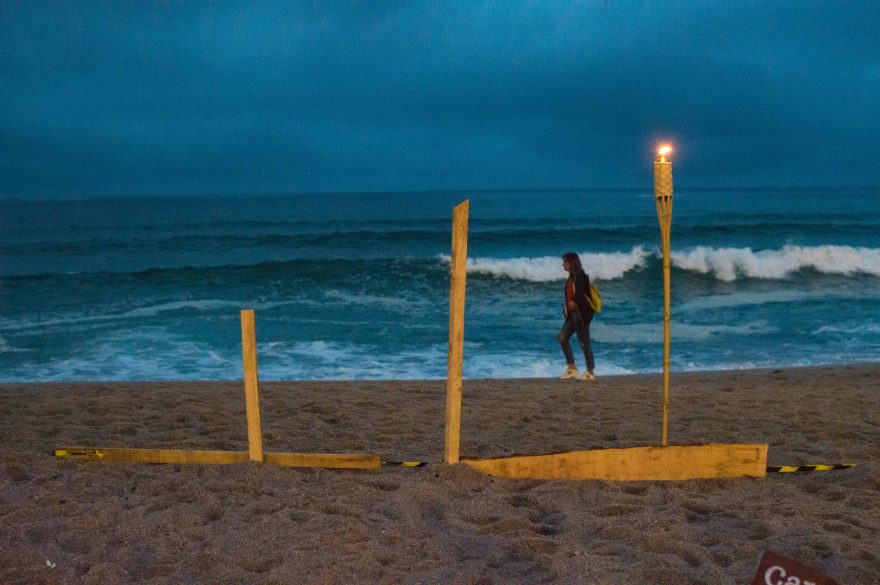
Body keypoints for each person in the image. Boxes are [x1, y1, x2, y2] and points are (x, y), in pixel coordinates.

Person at [558, 252, 596, 381]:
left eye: (565, 262)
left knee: (584, 342)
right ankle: (572, 367)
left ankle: (590, 372)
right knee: (562, 338)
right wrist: (567, 307)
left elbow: (580, 294)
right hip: (572, 315)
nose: (563, 264)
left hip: (581, 315)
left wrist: (573, 301)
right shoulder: (572, 277)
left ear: (572, 262)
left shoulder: (580, 276)